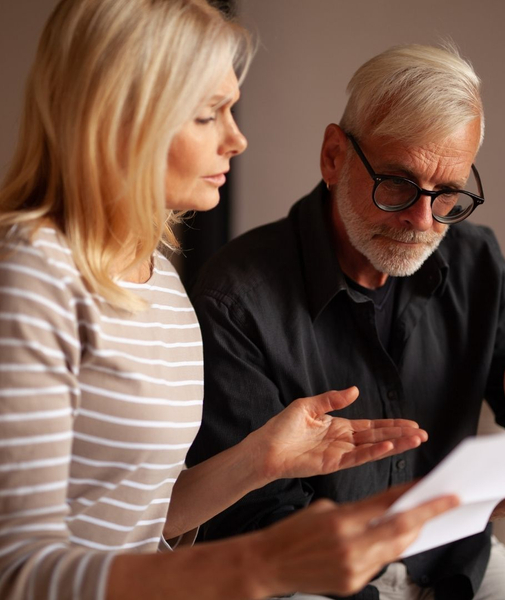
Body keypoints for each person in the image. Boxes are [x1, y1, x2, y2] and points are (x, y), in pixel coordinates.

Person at [0, 3, 462, 599]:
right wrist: (263, 563)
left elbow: (136, 520)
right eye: (207, 114)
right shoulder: (31, 276)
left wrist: (260, 458)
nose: (237, 139)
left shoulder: (158, 279)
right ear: (120, 121)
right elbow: (18, 573)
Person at [186, 44, 505, 600]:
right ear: (334, 156)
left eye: (448, 194)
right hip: (309, 575)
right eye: (399, 185)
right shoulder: (236, 299)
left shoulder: (475, 262)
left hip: (454, 562)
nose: (423, 221)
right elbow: (253, 519)